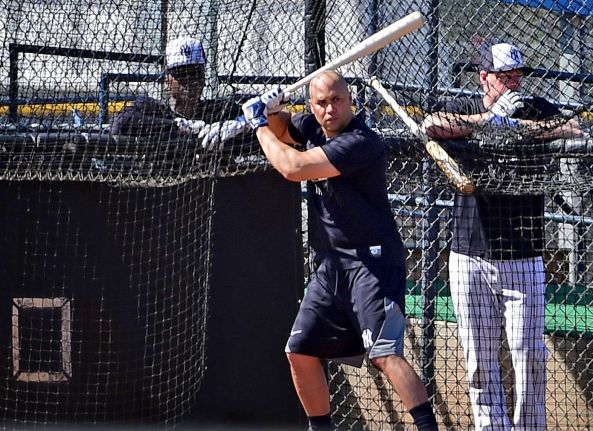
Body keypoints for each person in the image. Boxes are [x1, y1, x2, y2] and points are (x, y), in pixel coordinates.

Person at [240, 71, 439, 431]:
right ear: (312, 106)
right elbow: (286, 128)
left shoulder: (361, 142)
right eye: (322, 102)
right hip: (332, 264)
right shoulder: (315, 127)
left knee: (384, 354)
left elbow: (292, 167)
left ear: (350, 101)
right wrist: (270, 110)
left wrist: (258, 125)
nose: (330, 109)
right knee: (299, 351)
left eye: (337, 100)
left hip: (373, 261)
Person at [421, 41, 583, 431]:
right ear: (484, 78)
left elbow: (573, 128)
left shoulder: (536, 109)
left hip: (523, 255)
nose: (512, 84)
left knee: (530, 355)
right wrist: (489, 119)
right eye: (503, 76)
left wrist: (515, 124)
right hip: (469, 255)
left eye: (516, 76)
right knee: (478, 360)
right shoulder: (465, 109)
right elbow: (431, 124)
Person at [110, 36, 244, 149]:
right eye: (182, 75)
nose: (191, 81)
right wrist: (177, 126)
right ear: (167, 80)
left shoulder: (217, 110)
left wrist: (241, 124)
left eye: (196, 73)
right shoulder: (153, 109)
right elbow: (121, 120)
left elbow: (254, 110)